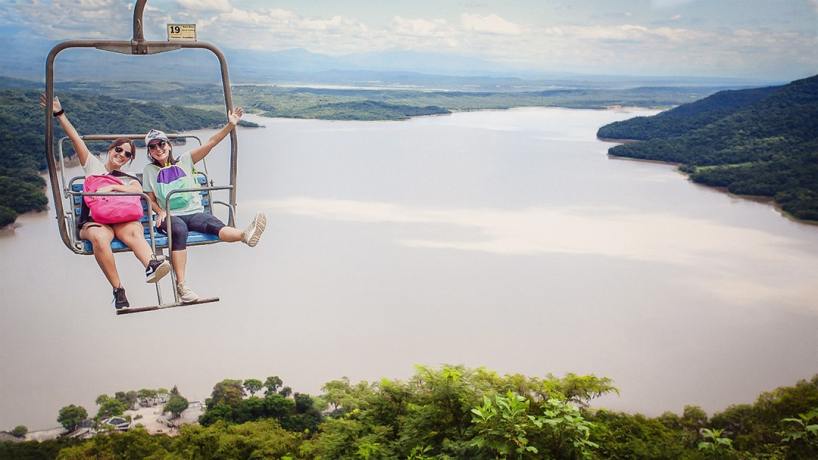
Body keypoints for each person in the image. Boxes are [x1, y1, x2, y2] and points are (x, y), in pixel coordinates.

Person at [40, 94, 170, 309]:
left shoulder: (129, 179)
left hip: (120, 220)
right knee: (100, 238)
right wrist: (59, 114)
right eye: (118, 149)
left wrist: (112, 187)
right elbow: (75, 139)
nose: (121, 154)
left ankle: (151, 264)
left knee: (134, 232)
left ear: (129, 160)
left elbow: (136, 190)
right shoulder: (93, 167)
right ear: (110, 150)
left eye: (127, 154)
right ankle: (119, 289)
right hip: (94, 221)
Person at [142, 107, 266, 303]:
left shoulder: (185, 160)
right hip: (172, 216)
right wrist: (159, 211)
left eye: (161, 144)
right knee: (180, 230)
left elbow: (211, 143)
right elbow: (149, 196)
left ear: (169, 145)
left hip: (194, 211)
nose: (158, 149)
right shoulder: (149, 170)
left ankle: (244, 235)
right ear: (149, 151)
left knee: (211, 223)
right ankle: (182, 286)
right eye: (153, 147)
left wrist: (230, 125)